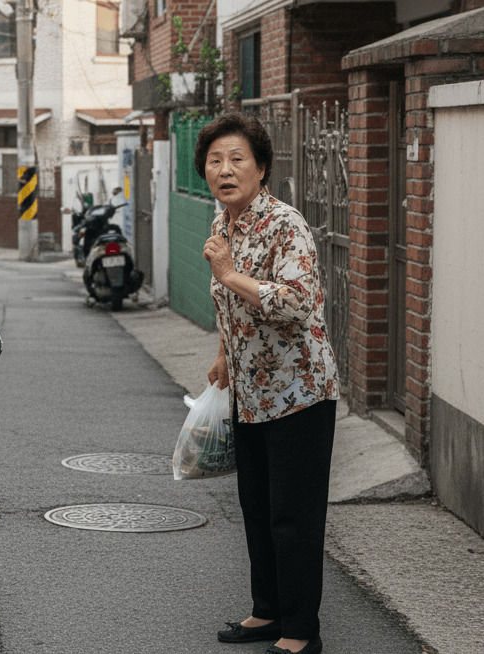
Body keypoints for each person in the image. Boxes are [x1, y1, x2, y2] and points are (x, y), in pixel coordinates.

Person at [196, 112, 339, 654]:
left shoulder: (286, 224)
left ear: (261, 169)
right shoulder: (222, 223)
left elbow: (297, 302)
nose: (225, 170)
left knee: (293, 516)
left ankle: (302, 631)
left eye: (237, 159)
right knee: (257, 507)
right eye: (214, 160)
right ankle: (268, 611)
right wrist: (223, 357)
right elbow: (229, 305)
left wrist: (232, 273)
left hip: (300, 393)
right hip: (252, 393)